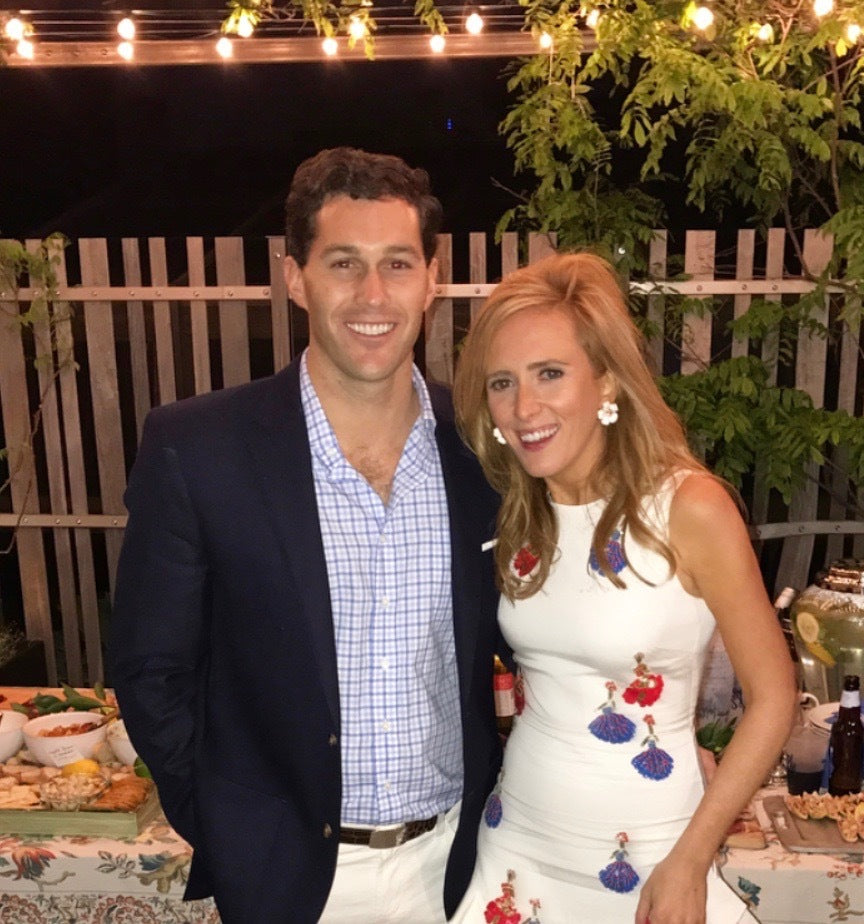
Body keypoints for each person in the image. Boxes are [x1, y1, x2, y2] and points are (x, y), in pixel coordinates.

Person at [109, 147, 503, 924]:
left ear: (432, 278)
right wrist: (228, 820)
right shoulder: (200, 448)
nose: (373, 294)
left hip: (461, 867)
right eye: (343, 263)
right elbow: (149, 667)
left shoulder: (484, 451)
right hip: (294, 883)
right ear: (296, 278)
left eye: (397, 264)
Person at [450, 252, 796, 924]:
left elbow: (774, 697)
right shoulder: (518, 512)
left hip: (653, 864)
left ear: (606, 382)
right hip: (516, 854)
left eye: (550, 373)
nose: (524, 407)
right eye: (502, 382)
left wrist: (691, 861)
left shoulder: (689, 508)